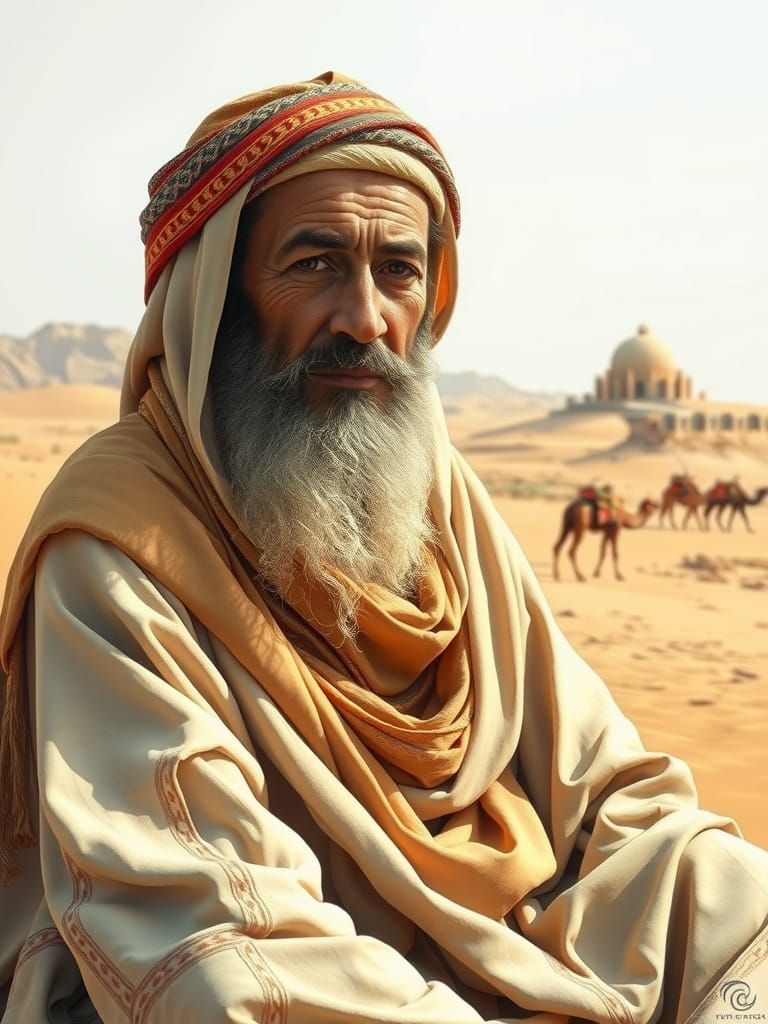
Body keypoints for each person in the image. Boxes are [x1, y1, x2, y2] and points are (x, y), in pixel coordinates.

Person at [0, 71, 766, 1024]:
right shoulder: (116, 544)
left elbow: (612, 793)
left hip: (510, 960)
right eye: (315, 262)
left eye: (399, 270)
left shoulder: (434, 494)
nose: (366, 318)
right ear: (218, 300)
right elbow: (216, 942)